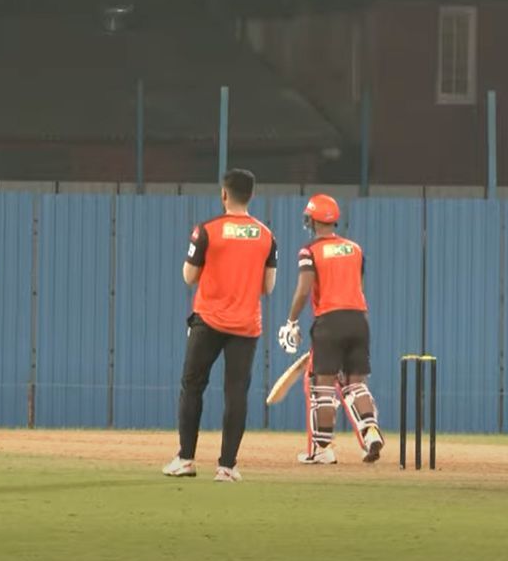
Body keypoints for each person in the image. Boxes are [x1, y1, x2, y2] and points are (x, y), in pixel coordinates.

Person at [162, 168, 277, 482]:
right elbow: (269, 286)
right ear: (251, 195)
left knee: (193, 386)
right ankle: (227, 466)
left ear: (224, 194)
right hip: (246, 325)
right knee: (236, 393)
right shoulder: (266, 235)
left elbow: (188, 276)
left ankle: (185, 460)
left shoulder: (206, 230)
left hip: (208, 321)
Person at [278, 194, 384, 464]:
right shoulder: (355, 249)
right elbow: (357, 287)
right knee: (355, 384)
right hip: (359, 320)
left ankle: (322, 450)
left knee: (321, 387)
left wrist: (291, 321)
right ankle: (370, 431)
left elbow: (304, 290)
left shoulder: (309, 251)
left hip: (329, 320)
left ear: (312, 221)